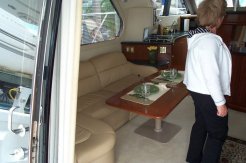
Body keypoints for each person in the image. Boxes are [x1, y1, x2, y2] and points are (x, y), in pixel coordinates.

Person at [183, 0, 231, 162]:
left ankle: (193, 158)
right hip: (208, 93)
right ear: (219, 18)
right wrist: (220, 103)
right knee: (218, 133)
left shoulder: (198, 37)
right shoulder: (209, 42)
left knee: (201, 124)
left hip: (197, 90)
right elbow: (211, 75)